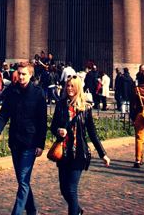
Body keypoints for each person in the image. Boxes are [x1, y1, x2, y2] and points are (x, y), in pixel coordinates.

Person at [50, 74, 110, 215]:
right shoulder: (60, 105)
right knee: (64, 189)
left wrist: (103, 154)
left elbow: (92, 134)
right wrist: (58, 130)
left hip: (79, 153)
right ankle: (77, 211)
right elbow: (52, 127)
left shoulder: (86, 108)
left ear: (78, 88)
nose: (70, 88)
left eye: (73, 86)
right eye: (68, 85)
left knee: (71, 189)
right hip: (63, 152)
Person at [0, 60, 48, 215]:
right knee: (22, 181)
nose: (21, 77)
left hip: (30, 144)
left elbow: (42, 121)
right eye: (19, 73)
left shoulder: (38, 93)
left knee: (23, 181)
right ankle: (31, 210)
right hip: (15, 142)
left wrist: (40, 144)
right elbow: (3, 114)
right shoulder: (12, 91)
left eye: (24, 74)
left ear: (30, 75)